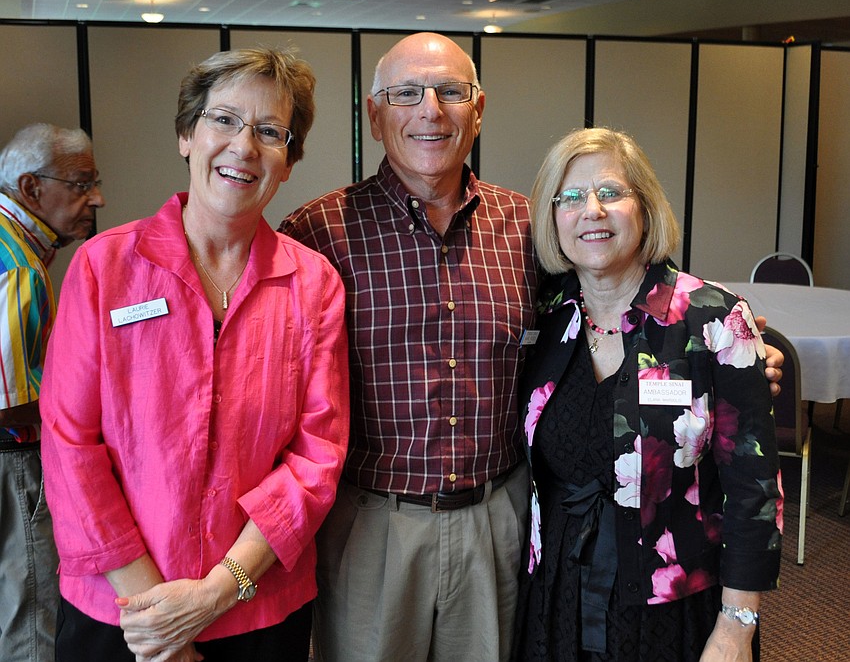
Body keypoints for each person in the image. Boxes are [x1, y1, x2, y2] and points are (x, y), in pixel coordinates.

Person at [280, 33, 784, 662]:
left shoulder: (524, 228)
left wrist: (729, 355)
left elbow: (631, 283)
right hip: (376, 523)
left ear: (479, 109)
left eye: (451, 93)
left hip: (501, 522)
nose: (430, 110)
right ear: (376, 115)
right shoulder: (316, 233)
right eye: (406, 94)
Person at [40, 47, 350, 662]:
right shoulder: (104, 268)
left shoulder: (315, 287)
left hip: (256, 610)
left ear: (289, 161)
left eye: (270, 132)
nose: (244, 147)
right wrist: (158, 616)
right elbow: (69, 444)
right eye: (224, 120)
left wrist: (212, 596)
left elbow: (317, 457)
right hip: (121, 613)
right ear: (187, 134)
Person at [513, 127, 782, 662]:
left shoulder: (712, 319)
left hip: (672, 610)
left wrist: (737, 626)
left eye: (611, 193)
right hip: (556, 595)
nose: (592, 210)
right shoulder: (547, 318)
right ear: (552, 218)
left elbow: (753, 490)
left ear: (646, 206)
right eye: (570, 197)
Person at [0, 122, 105, 662]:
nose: (97, 198)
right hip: (12, 462)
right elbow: (9, 401)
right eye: (81, 183)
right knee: (30, 613)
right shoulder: (17, 266)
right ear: (31, 187)